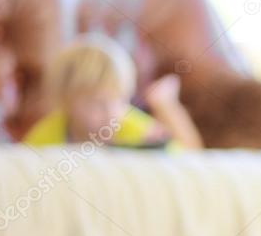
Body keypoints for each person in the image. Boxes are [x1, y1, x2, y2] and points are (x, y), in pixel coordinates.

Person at [22, 33, 202, 150]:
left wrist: (154, 145)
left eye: (121, 100)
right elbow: (22, 166)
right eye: (98, 104)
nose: (111, 112)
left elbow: (189, 158)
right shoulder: (48, 135)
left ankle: (165, 103)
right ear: (66, 102)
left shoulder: (130, 126)